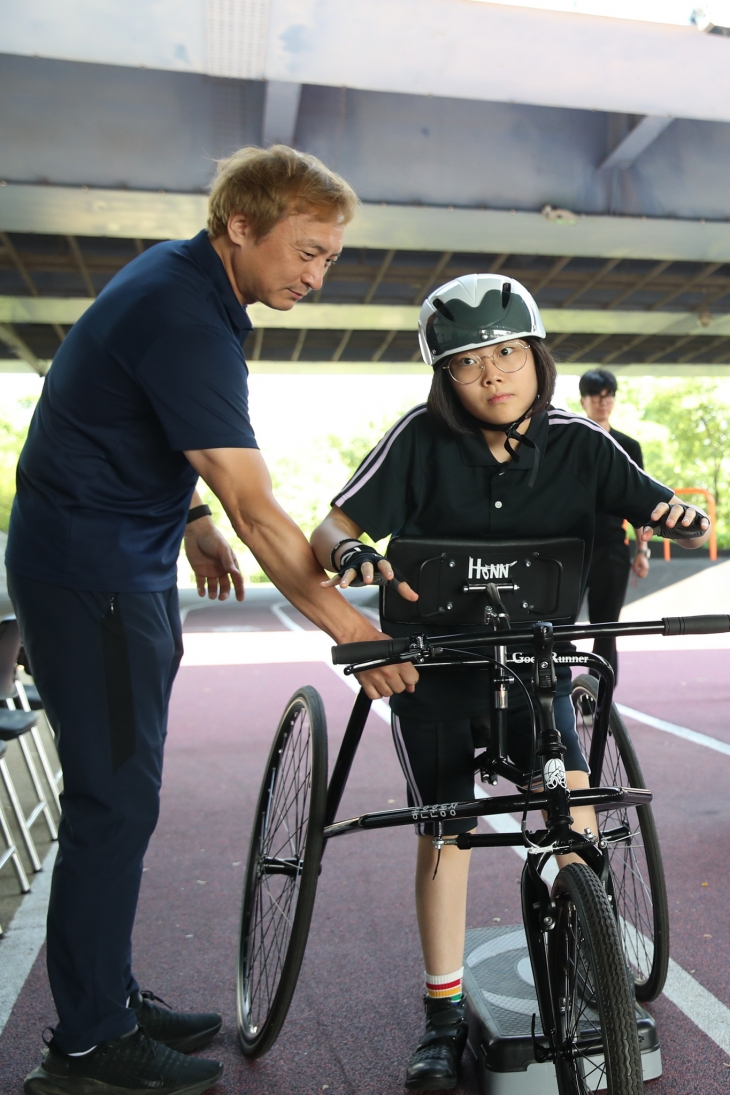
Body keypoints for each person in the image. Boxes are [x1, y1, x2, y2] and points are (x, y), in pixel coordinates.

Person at [8, 145, 417, 1095]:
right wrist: (350, 630)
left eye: (330, 256)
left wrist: (187, 519)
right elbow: (261, 506)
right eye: (308, 250)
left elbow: (137, 419)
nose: (319, 273)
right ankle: (86, 1046)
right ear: (242, 225)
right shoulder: (186, 313)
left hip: (121, 558)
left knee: (124, 794)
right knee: (114, 801)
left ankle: (101, 993)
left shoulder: (184, 283)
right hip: (92, 573)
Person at [310, 273, 710, 1092]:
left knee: (576, 797)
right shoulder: (417, 440)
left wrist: (681, 516)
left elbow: (663, 505)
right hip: (434, 673)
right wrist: (347, 551)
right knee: (447, 824)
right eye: (467, 362)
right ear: (444, 378)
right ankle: (442, 1010)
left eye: (506, 352)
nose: (492, 373)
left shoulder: (585, 445)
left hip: (536, 669)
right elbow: (333, 524)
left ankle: (590, 947)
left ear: (537, 356)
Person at [579, 367, 650, 681]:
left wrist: (642, 551)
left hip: (611, 548)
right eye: (596, 395)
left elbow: (641, 502)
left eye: (608, 396)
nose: (602, 402)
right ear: (583, 400)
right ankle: (556, 693)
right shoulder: (570, 442)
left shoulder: (628, 446)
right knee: (552, 627)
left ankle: (600, 698)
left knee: (606, 628)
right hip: (572, 548)